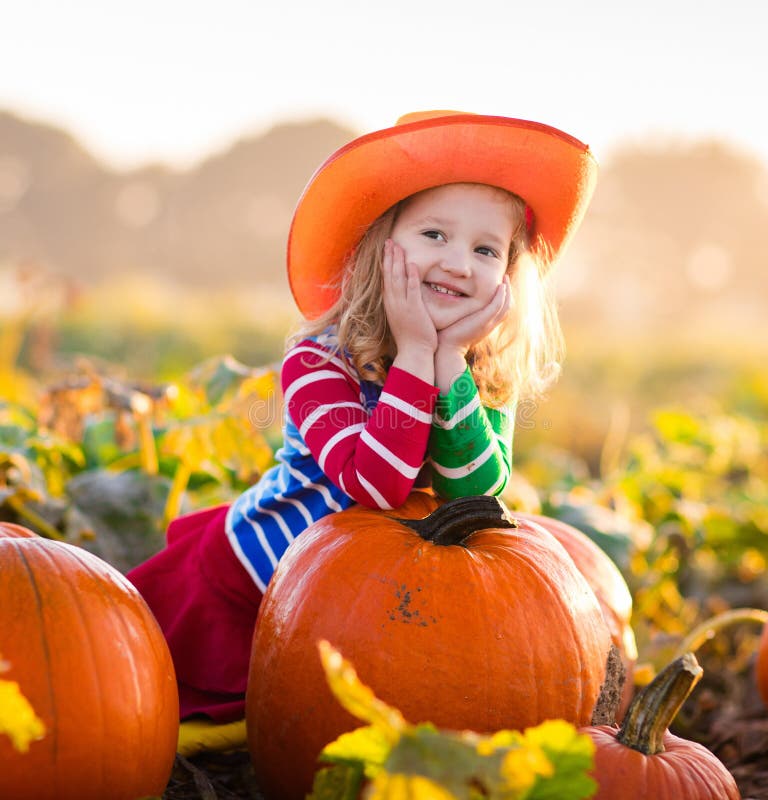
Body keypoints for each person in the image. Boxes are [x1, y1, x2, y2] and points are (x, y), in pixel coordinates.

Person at [128, 110, 598, 724]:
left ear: (507, 277)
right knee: (146, 702)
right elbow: (375, 486)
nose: (459, 262)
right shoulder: (319, 362)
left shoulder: (478, 372)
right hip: (256, 588)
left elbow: (477, 493)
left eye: (486, 249)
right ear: (382, 244)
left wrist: (448, 360)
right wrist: (414, 354)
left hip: (375, 606)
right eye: (435, 235)